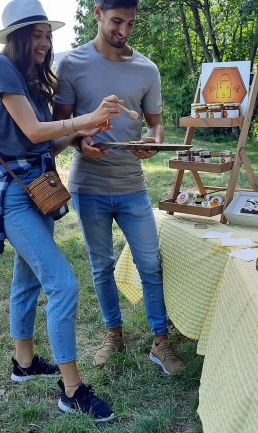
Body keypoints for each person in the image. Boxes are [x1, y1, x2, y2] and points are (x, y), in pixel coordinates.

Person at [0, 0, 124, 422]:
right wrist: (83, 119)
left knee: (28, 280)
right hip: (13, 196)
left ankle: (24, 365)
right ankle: (71, 390)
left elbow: (41, 144)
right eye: (35, 35)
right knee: (62, 284)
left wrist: (81, 133)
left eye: (47, 35)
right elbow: (37, 130)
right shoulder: (0, 67)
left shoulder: (31, 80)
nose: (43, 42)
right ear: (17, 38)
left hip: (35, 189)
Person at [53, 0, 185, 376]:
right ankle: (114, 334)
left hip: (132, 185)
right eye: (116, 21)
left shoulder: (147, 69)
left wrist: (152, 140)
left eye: (130, 23)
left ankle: (161, 341)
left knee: (149, 262)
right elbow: (61, 129)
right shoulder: (72, 64)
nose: (123, 31)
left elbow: (156, 125)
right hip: (88, 186)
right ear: (97, 14)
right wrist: (81, 143)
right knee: (102, 265)